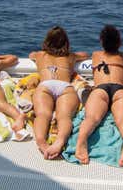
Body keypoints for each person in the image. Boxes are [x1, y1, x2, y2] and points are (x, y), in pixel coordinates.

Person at [74, 25, 123, 166]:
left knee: (92, 119)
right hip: (119, 90)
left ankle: (81, 142)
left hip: (100, 90)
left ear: (101, 42)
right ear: (119, 42)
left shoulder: (96, 55)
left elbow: (82, 55)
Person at [29, 26, 88, 160]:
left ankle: (42, 143)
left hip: (45, 86)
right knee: (64, 117)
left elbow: (30, 55)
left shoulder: (39, 55)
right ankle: (60, 141)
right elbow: (85, 54)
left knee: (43, 115)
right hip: (65, 87)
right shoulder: (71, 56)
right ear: (66, 43)